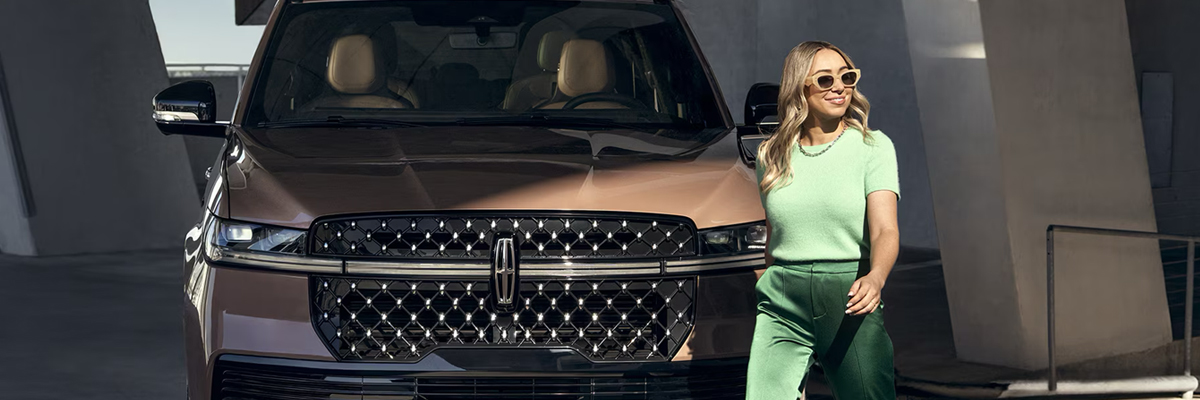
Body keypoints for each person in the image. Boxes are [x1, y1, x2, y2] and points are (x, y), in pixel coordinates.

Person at [747, 41, 901, 400]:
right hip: (783, 297)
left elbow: (885, 229)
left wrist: (876, 278)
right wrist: (767, 283)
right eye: (825, 79)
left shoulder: (873, 147)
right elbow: (775, 236)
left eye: (847, 77)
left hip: (850, 296)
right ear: (800, 86)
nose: (839, 87)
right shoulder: (771, 155)